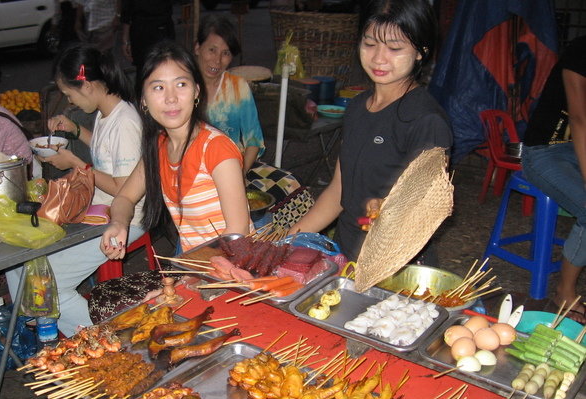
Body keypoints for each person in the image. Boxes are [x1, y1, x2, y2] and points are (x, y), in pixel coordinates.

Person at [288, 0, 452, 262]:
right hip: (344, 255)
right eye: (370, 43)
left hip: (393, 265)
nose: (378, 58)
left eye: (394, 48)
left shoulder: (426, 122)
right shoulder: (356, 107)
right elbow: (338, 192)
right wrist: (286, 240)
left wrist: (389, 213)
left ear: (421, 51)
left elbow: (425, 213)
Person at [8, 44, 143, 337]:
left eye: (69, 95)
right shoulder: (107, 114)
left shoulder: (126, 122)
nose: (69, 100)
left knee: (47, 282)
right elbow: (104, 148)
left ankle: (109, 342)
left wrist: (74, 163)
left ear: (88, 85)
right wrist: (74, 129)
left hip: (125, 219)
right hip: (98, 209)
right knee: (16, 259)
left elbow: (124, 188)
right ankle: (38, 323)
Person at [101, 40, 251, 260]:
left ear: (196, 91)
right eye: (158, 87)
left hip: (232, 266)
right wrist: (119, 223)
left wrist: (191, 271)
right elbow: (124, 196)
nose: (171, 98)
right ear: (143, 100)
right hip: (197, 262)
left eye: (181, 84)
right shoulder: (159, 146)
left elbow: (238, 234)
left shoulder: (216, 149)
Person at [523, 35, 586, 322]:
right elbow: (579, 118)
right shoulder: (581, 50)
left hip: (577, 151)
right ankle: (564, 291)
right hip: (544, 152)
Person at [194, 14, 265, 175]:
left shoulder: (238, 87)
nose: (217, 60)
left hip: (232, 168)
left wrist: (241, 174)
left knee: (290, 186)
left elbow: (253, 140)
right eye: (212, 50)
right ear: (197, 47)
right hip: (192, 172)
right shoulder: (182, 86)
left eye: (226, 53)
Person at [119, 0, 175, 73]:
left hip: (161, 29)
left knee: (164, 64)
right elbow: (126, 14)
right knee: (144, 69)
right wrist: (125, 41)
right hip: (142, 31)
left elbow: (126, 14)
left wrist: (125, 41)